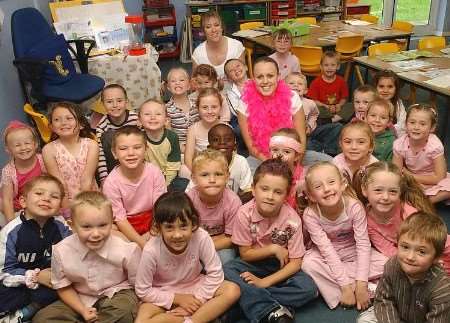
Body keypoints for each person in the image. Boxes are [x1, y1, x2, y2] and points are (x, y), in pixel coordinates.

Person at [224, 159, 318, 323]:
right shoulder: (244, 213)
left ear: (287, 195)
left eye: (278, 192)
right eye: (264, 189)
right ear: (253, 189)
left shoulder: (292, 220)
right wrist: (273, 248)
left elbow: (295, 262)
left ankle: (245, 304)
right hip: (253, 263)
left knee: (308, 289)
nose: (269, 196)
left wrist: (264, 283)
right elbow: (245, 254)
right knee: (226, 269)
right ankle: (273, 309)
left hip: (281, 266)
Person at [33, 191, 141, 323]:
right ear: (73, 226)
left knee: (124, 310)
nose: (96, 234)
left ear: (111, 222)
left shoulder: (126, 249)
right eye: (86, 227)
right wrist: (82, 310)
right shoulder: (61, 251)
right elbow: (63, 286)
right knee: (43, 318)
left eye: (102, 225)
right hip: (79, 297)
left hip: (117, 292)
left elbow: (138, 285)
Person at [134, 191, 241, 323]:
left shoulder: (201, 237)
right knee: (141, 321)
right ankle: (195, 317)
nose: (177, 235)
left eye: (183, 226)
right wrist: (177, 299)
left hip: (195, 286)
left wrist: (197, 300)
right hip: (164, 293)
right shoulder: (151, 249)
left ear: (193, 224)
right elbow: (142, 290)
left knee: (232, 290)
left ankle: (190, 321)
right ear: (158, 228)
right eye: (169, 228)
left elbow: (216, 273)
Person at [301, 162, 387, 310]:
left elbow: (363, 245)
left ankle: (359, 287)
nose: (327, 189)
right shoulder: (310, 214)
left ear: (343, 184)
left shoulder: (354, 206)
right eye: (318, 186)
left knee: (388, 263)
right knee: (308, 264)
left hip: (353, 250)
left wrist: (361, 284)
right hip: (326, 254)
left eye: (331, 182)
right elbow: (327, 250)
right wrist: (345, 287)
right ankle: (348, 291)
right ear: (311, 196)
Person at [353, 161, 450, 275]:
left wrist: (431, 261)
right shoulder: (366, 219)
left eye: (393, 191)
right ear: (365, 190)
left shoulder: (408, 213)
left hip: (437, 252)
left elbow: (435, 242)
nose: (385, 197)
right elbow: (387, 248)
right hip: (414, 256)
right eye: (378, 190)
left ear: (400, 192)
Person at [357, 212, 450, 323]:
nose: (410, 257)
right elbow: (383, 300)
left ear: (436, 258)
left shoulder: (441, 289)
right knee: (364, 320)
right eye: (405, 247)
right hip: (396, 316)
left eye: (421, 252)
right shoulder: (392, 265)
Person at [0, 175, 70, 322]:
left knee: (60, 291)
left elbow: (74, 254)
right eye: (39, 193)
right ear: (23, 201)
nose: (46, 198)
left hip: (51, 283)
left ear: (60, 206)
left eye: (54, 196)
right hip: (19, 282)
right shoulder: (11, 232)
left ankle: (25, 313)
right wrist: (34, 277)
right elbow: (5, 271)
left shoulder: (62, 227)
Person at [237, 56, 307, 171]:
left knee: (325, 166)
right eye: (260, 77)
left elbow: (301, 139)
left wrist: (294, 164)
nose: (265, 81)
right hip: (260, 158)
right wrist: (274, 166)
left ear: (278, 77)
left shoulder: (292, 97)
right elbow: (251, 147)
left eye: (270, 76)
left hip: (292, 154)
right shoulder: (244, 102)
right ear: (253, 79)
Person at [103, 125, 166, 248]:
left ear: (146, 150)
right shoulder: (111, 182)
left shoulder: (154, 172)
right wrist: (141, 243)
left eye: (137, 147)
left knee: (171, 219)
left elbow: (160, 208)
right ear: (114, 153)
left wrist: (151, 234)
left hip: (153, 220)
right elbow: (120, 219)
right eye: (123, 149)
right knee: (107, 231)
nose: (130, 153)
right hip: (126, 225)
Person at [42, 102, 98, 215]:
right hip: (64, 201)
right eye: (57, 119)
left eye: (69, 118)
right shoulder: (48, 149)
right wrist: (68, 210)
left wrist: (83, 209)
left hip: (91, 197)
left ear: (81, 124)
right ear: (51, 126)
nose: (63, 123)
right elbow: (58, 183)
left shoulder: (92, 145)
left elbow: (87, 179)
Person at [187, 149, 241, 264]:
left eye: (218, 174)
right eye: (205, 175)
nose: (212, 180)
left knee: (226, 258)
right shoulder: (189, 199)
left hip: (221, 245)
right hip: (194, 242)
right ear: (194, 178)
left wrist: (205, 247)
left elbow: (231, 238)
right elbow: (185, 231)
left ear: (227, 177)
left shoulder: (233, 202)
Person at [392, 103, 450, 204]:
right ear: (406, 125)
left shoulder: (434, 145)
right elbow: (396, 172)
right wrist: (408, 179)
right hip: (411, 181)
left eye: (422, 124)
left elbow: (440, 177)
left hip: (432, 178)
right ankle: (418, 200)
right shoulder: (400, 144)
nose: (416, 127)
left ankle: (423, 202)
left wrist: (411, 176)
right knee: (396, 184)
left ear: (432, 128)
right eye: (412, 122)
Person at [1, 121, 46, 223]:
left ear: (35, 144)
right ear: (8, 150)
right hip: (18, 203)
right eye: (17, 145)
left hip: (39, 198)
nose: (23, 148)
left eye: (27, 143)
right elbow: (7, 200)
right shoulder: (8, 171)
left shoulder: (43, 160)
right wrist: (11, 223)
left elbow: (53, 182)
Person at [284, 72, 333, 165]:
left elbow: (314, 114)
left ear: (306, 90)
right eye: (291, 83)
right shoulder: (282, 103)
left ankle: (328, 150)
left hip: (308, 132)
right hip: (292, 136)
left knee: (336, 127)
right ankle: (317, 148)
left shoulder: (310, 103)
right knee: (307, 146)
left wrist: (310, 126)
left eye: (300, 84)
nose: (296, 85)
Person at [138, 99, 186, 192]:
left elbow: (173, 165)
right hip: (147, 177)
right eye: (147, 114)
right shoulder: (139, 139)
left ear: (166, 120)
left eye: (158, 114)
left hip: (168, 177)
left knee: (183, 183)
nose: (153, 117)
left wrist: (165, 185)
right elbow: (140, 165)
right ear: (139, 120)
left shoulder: (172, 137)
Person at [306, 51, 347, 156]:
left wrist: (339, 105)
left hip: (337, 108)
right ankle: (333, 119)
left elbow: (344, 98)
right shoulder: (316, 82)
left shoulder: (341, 81)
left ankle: (333, 119)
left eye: (333, 65)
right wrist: (326, 106)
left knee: (351, 106)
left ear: (338, 66)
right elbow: (313, 100)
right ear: (321, 67)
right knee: (315, 110)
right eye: (326, 65)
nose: (329, 68)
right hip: (322, 108)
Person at [95, 84, 138, 184]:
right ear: (102, 104)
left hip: (136, 159)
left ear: (126, 101)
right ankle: (115, 179)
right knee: (109, 136)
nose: (115, 105)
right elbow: (100, 154)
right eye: (109, 102)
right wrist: (103, 178)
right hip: (114, 162)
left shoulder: (136, 119)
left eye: (119, 101)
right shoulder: (101, 126)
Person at [192, 10, 245, 82]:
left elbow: (243, 78)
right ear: (203, 31)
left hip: (234, 90)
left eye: (216, 25)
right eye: (208, 27)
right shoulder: (198, 53)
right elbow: (195, 82)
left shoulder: (236, 46)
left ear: (222, 27)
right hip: (209, 92)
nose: (213, 30)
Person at [207, 123, 252, 202]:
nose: (222, 142)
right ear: (209, 148)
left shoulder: (241, 162)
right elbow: (191, 192)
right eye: (216, 140)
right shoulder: (203, 163)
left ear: (235, 146)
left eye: (227, 139)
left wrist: (232, 204)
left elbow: (249, 191)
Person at [184, 88, 223, 172]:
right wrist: (196, 176)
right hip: (199, 170)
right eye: (205, 107)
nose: (209, 111)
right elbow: (188, 158)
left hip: (220, 171)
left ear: (220, 108)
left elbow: (232, 156)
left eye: (214, 107)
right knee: (184, 170)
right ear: (198, 109)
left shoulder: (226, 128)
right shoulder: (193, 129)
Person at [269, 128, 305, 209]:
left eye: (286, 152)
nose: (279, 155)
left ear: (296, 156)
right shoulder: (267, 173)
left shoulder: (303, 177)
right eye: (275, 150)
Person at [165, 67, 199, 153]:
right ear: (168, 87)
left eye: (181, 80)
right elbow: (169, 133)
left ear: (188, 86)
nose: (177, 83)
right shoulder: (166, 109)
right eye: (173, 81)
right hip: (178, 146)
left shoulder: (197, 104)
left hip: (198, 143)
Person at [224, 58, 248, 155]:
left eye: (238, 66)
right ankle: (244, 152)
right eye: (231, 70)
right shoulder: (230, 93)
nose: (236, 70)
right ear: (229, 78)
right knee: (238, 130)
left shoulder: (257, 83)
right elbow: (236, 111)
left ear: (246, 67)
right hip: (242, 119)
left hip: (261, 115)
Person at [374, 70, 407, 137]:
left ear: (396, 89)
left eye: (390, 87)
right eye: (381, 86)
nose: (385, 90)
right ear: (375, 87)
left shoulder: (398, 104)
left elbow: (403, 126)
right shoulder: (371, 103)